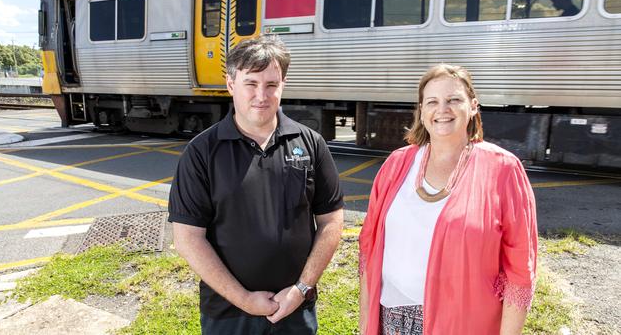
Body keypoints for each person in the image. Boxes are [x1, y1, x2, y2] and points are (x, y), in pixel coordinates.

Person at [169, 36, 344, 334]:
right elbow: (188, 238)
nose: (261, 95)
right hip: (228, 313)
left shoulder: (310, 144)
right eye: (251, 83)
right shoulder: (201, 152)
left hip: (295, 309)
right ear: (230, 84)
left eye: (271, 85)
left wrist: (301, 289)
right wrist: (245, 300)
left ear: (283, 85)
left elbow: (330, 221)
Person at [359, 64, 537, 335]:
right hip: (391, 319)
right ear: (422, 110)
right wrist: (364, 326)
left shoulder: (503, 169)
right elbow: (369, 250)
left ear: (473, 106)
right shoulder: (396, 164)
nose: (442, 109)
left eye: (454, 99)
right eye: (432, 101)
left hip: (462, 324)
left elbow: (519, 270)